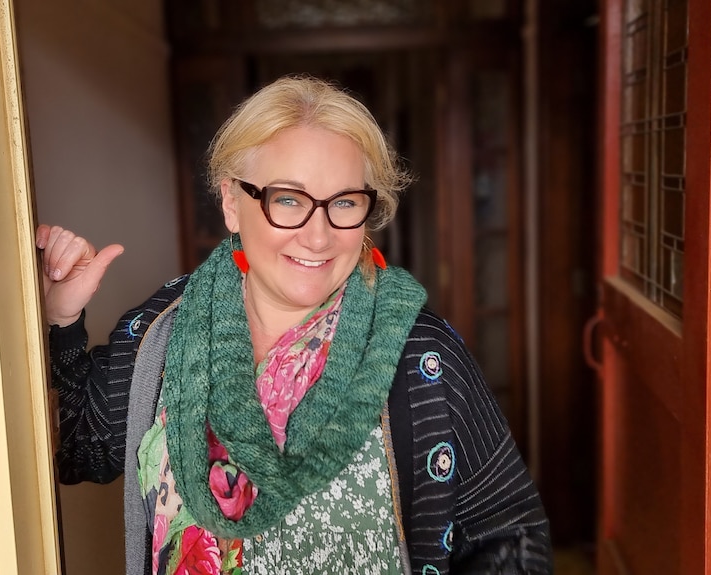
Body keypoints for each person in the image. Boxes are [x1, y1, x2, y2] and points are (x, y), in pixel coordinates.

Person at [37, 75, 552, 575]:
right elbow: (78, 446)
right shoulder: (165, 331)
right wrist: (62, 317)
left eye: (345, 202)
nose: (319, 236)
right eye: (288, 199)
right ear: (232, 202)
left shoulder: (420, 355)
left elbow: (509, 536)